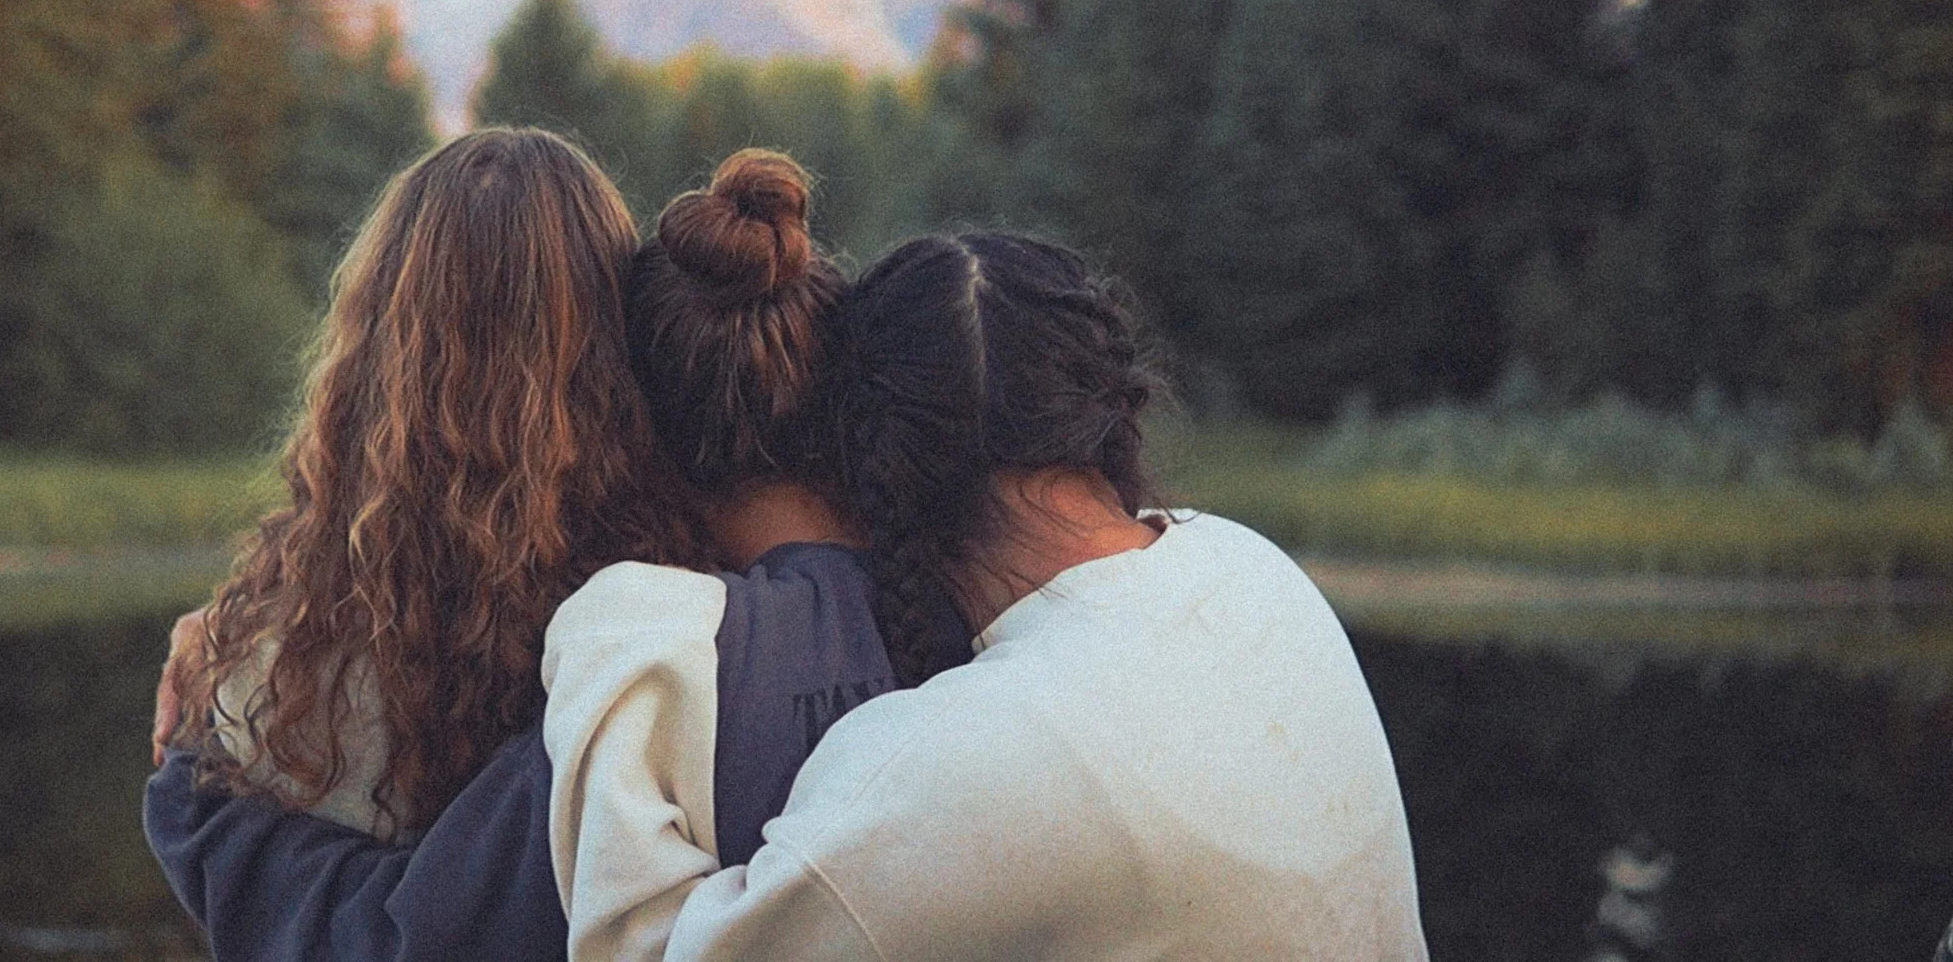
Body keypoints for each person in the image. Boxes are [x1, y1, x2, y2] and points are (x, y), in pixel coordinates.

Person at [546, 232, 1428, 960]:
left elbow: (650, 950)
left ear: (875, 475)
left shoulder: (969, 759)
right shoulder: (1246, 562)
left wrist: (622, 636)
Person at [147, 149, 931, 960]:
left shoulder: (285, 664)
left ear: (370, 351)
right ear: (616, 342)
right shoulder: (689, 630)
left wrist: (187, 779)